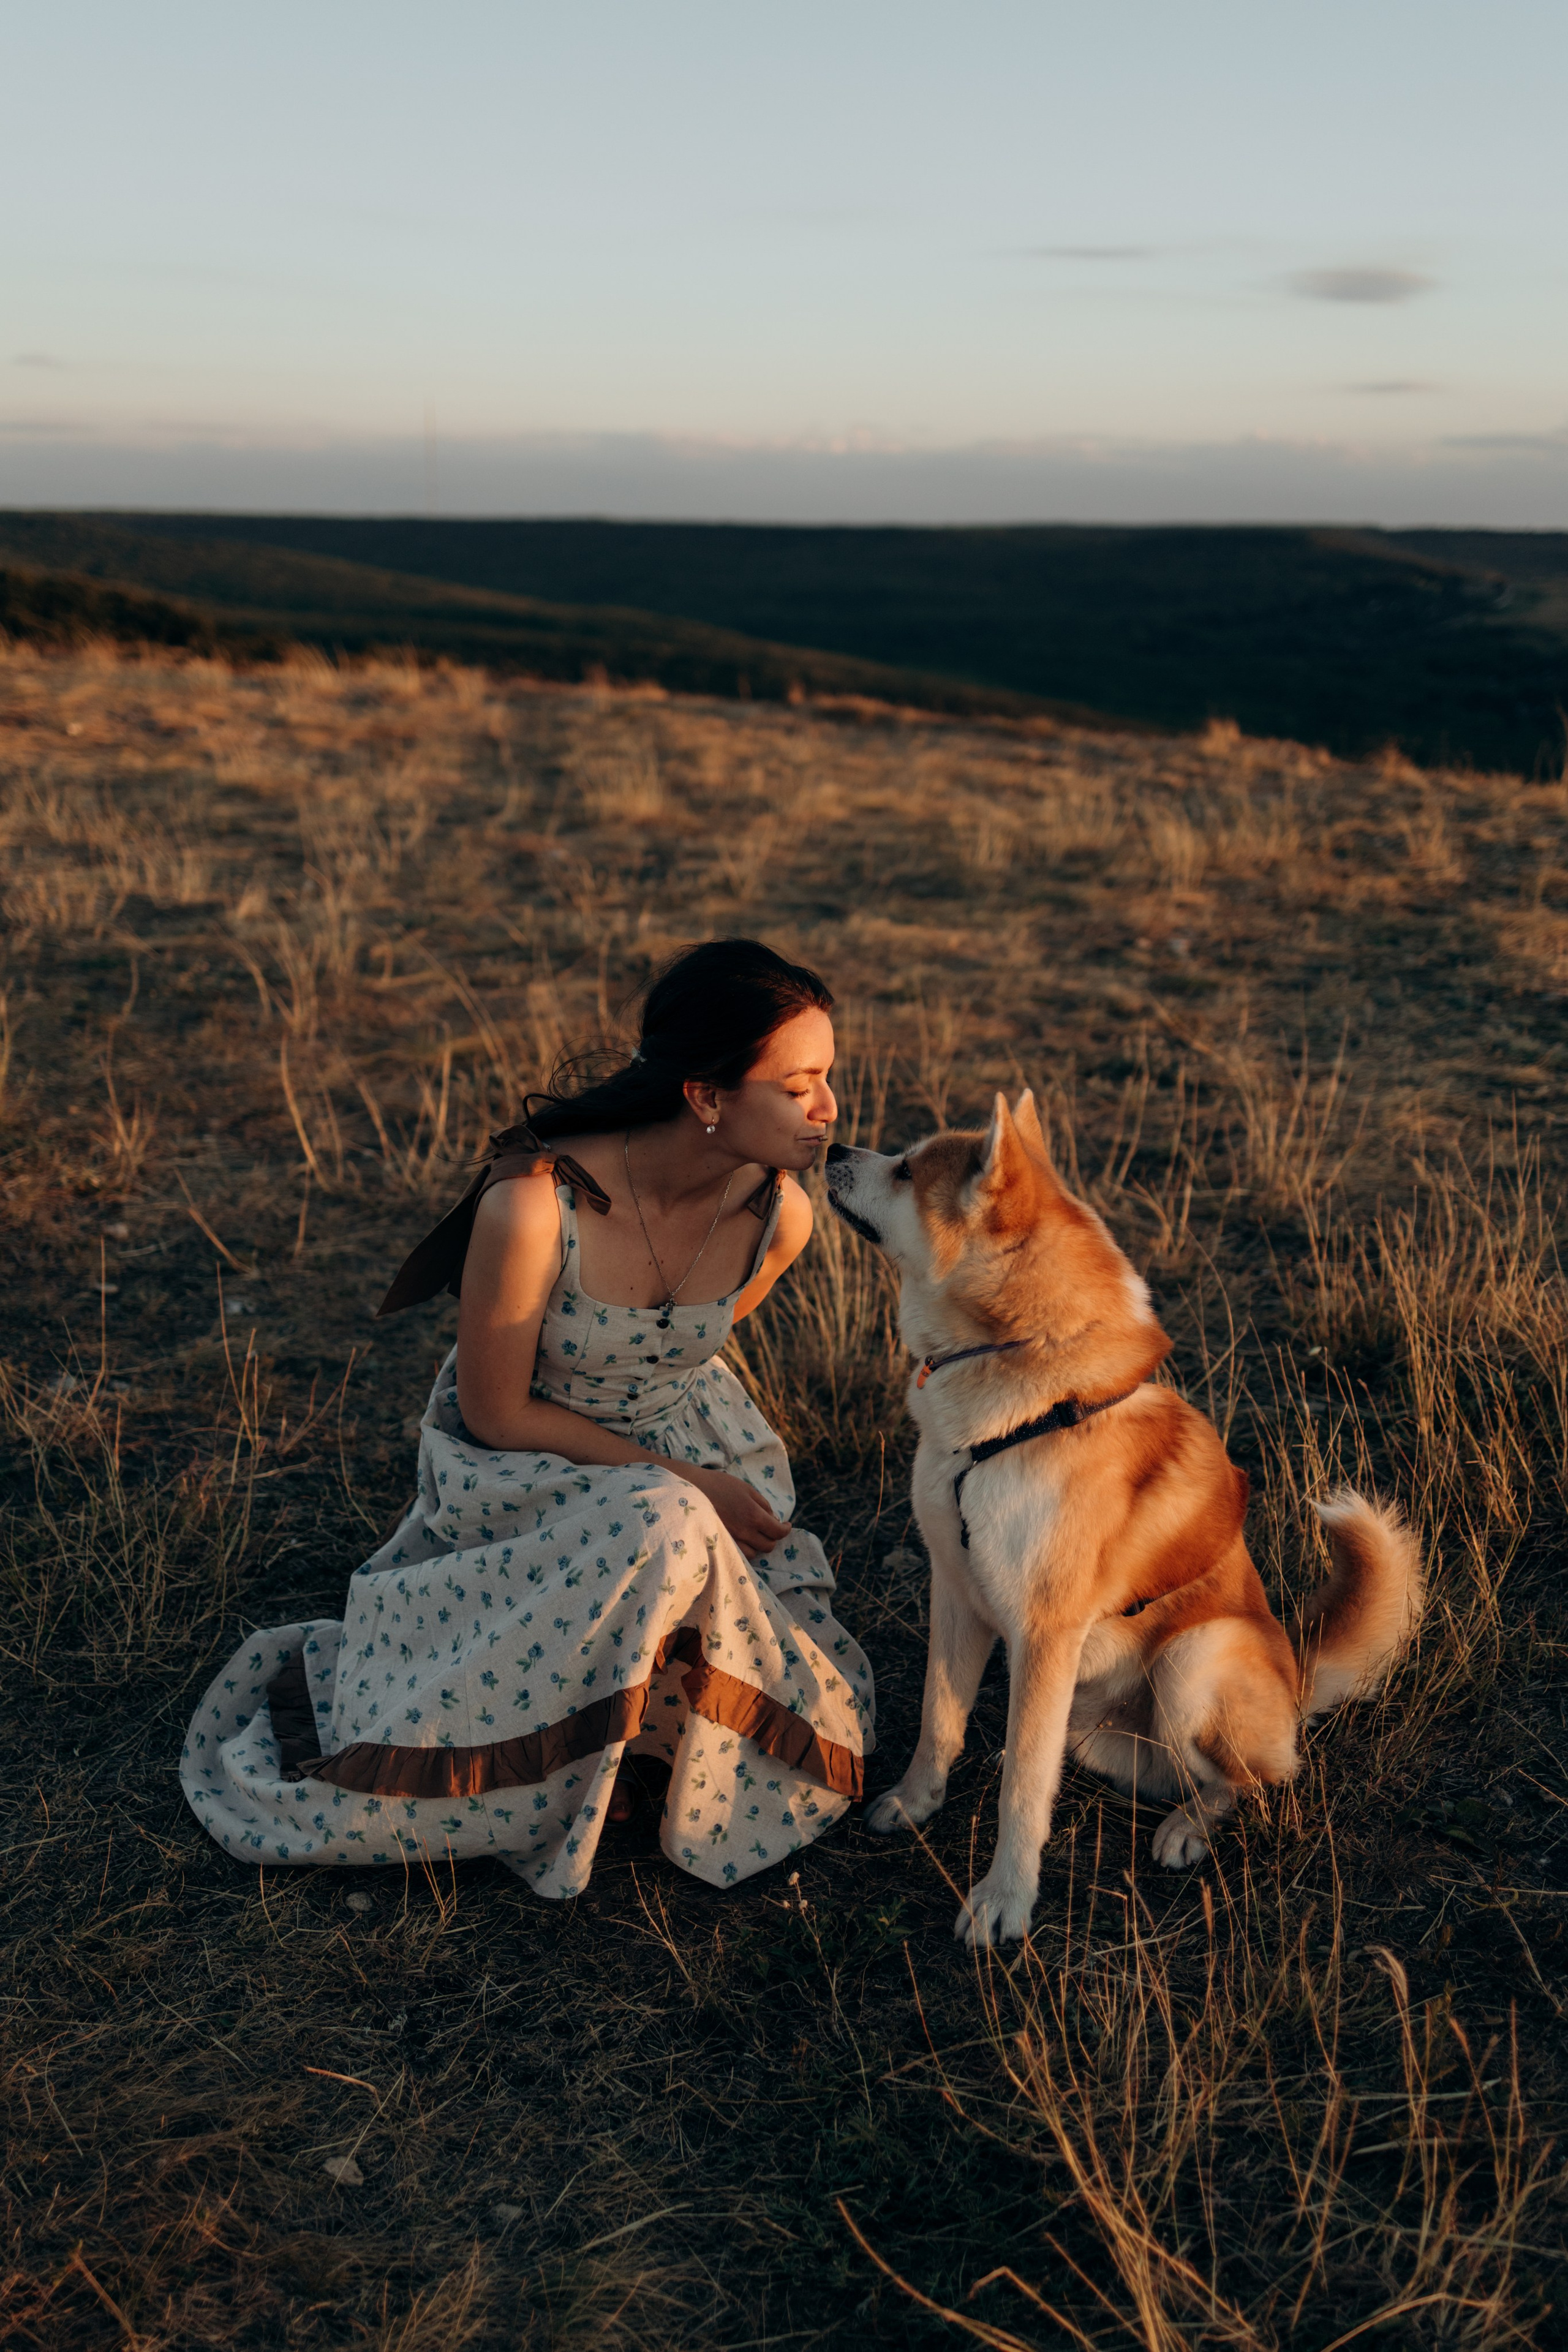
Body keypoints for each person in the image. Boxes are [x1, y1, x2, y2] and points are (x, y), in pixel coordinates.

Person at [180, 939, 875, 1898]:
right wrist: (687, 1486)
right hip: (524, 1467)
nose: (829, 1110)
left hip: (683, 1449)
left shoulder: (780, 1215)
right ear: (706, 1096)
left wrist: (699, 1472)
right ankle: (571, 1751)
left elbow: (684, 1353)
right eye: (799, 1086)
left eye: (828, 1078)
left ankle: (635, 1740)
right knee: (664, 1524)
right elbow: (494, 1410)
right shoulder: (537, 1206)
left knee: (691, 1550)